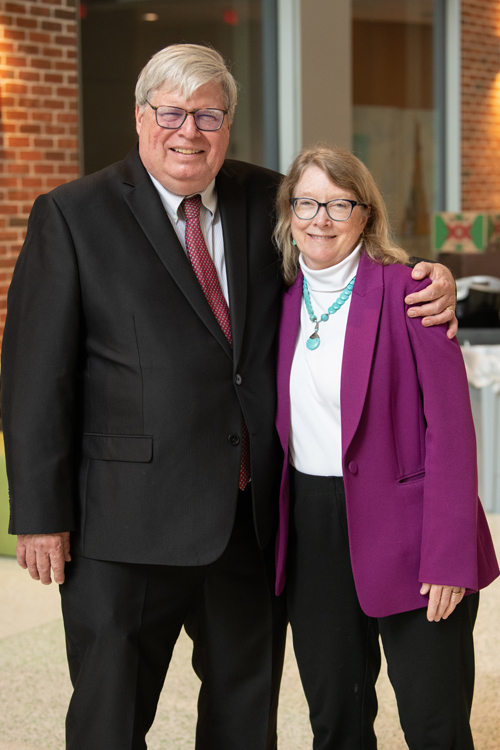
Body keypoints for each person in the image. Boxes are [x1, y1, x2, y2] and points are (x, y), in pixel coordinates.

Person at [1, 45, 456, 750]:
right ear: (141, 117)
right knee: (109, 717)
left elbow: (342, 252)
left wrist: (433, 277)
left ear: (229, 124)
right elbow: (36, 375)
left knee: (246, 716)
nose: (190, 131)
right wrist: (38, 516)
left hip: (249, 520)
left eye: (208, 114)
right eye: (173, 113)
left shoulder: (265, 196)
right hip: (125, 528)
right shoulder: (72, 214)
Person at [273, 144, 500, 750]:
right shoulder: (282, 300)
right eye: (306, 202)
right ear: (289, 213)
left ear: (366, 215)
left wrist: (450, 555)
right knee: (335, 717)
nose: (320, 218)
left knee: (434, 723)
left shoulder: (413, 291)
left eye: (338, 204)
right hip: (314, 532)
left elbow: (452, 431)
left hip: (414, 532)